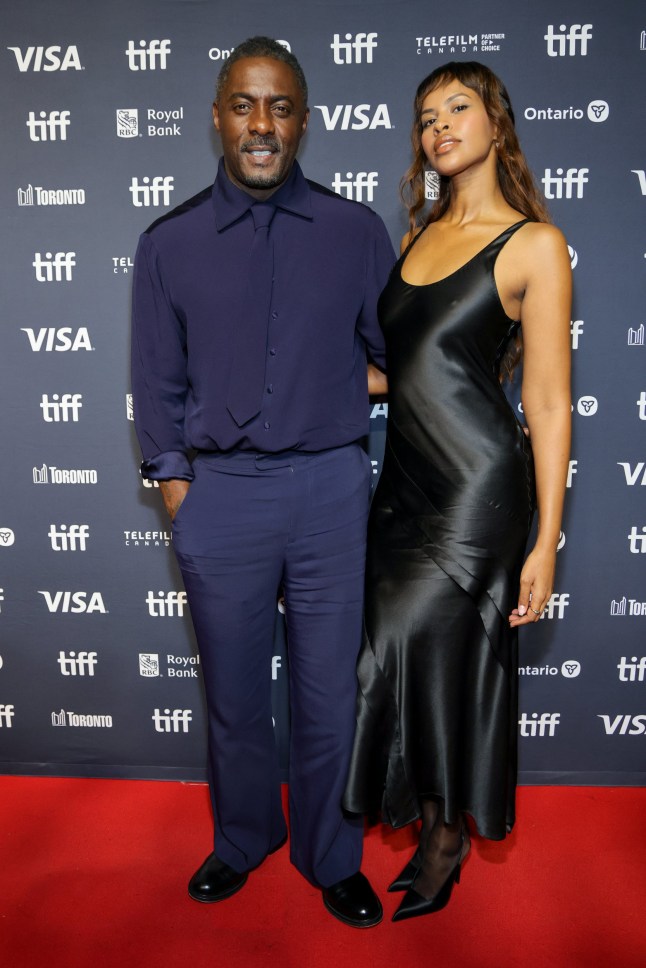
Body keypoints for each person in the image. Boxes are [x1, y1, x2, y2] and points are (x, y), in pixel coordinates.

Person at [131, 36, 394, 928]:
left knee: (329, 694)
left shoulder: (356, 232)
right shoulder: (167, 244)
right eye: (245, 104)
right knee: (236, 696)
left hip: (329, 491)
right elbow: (156, 384)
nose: (261, 123)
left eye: (280, 107)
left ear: (304, 122)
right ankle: (243, 838)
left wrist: (326, 379)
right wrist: (178, 492)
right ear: (217, 115)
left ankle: (332, 855)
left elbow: (395, 358)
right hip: (222, 498)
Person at [343, 61, 572, 922]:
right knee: (398, 660)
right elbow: (405, 373)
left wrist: (545, 540)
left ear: (496, 124)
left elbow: (546, 399)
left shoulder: (534, 245)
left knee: (457, 659)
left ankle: (446, 840)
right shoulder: (418, 235)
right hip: (402, 484)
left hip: (477, 489)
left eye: (458, 109)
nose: (439, 126)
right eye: (426, 116)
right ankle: (432, 820)